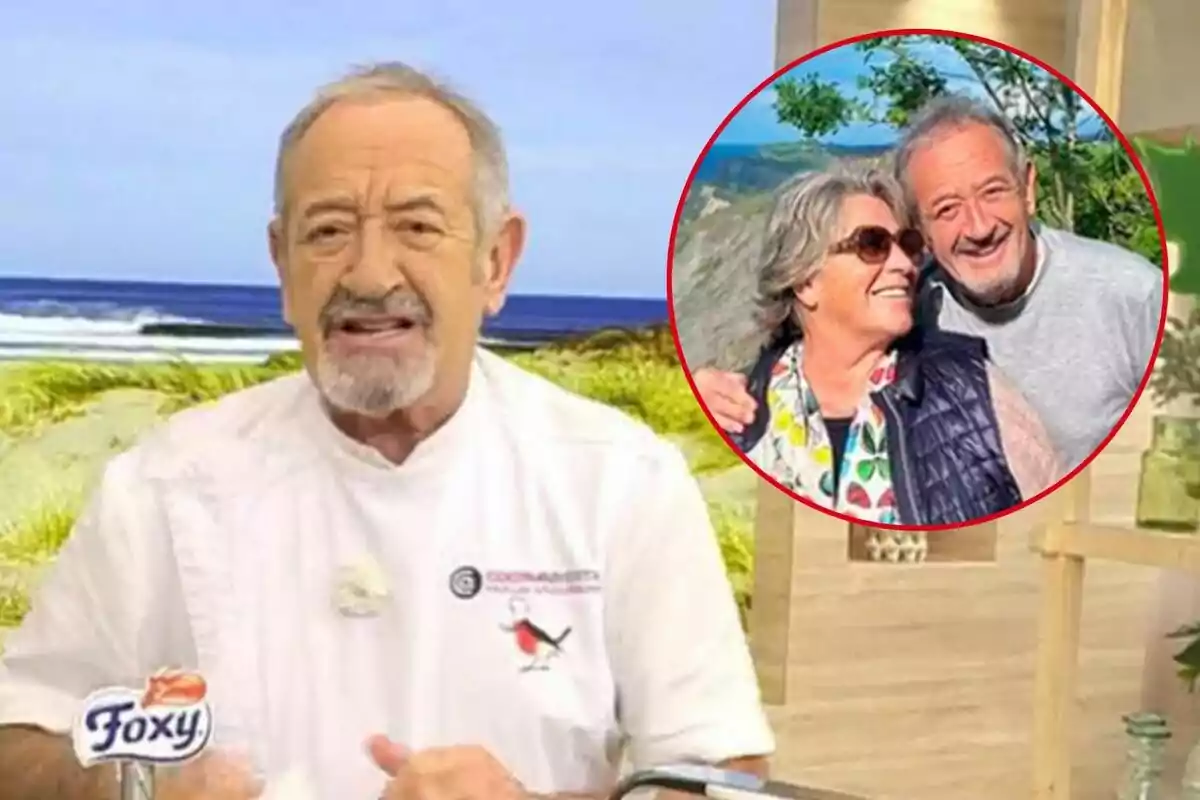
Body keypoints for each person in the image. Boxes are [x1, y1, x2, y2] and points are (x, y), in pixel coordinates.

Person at [0, 62, 774, 800]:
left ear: (496, 261)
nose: (370, 274)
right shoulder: (165, 485)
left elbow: (721, 775)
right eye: (328, 230)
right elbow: (17, 741)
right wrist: (133, 788)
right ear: (282, 262)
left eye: (417, 227)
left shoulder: (618, 481)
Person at [693, 94, 1164, 474]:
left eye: (993, 192)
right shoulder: (905, 302)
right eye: (946, 209)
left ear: (1029, 189)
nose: (978, 227)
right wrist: (707, 393)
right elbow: (813, 334)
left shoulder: (1132, 296)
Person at [726, 160, 1059, 525]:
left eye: (908, 245)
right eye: (873, 245)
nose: (904, 264)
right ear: (805, 280)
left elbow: (1054, 529)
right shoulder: (739, 411)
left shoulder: (972, 389)